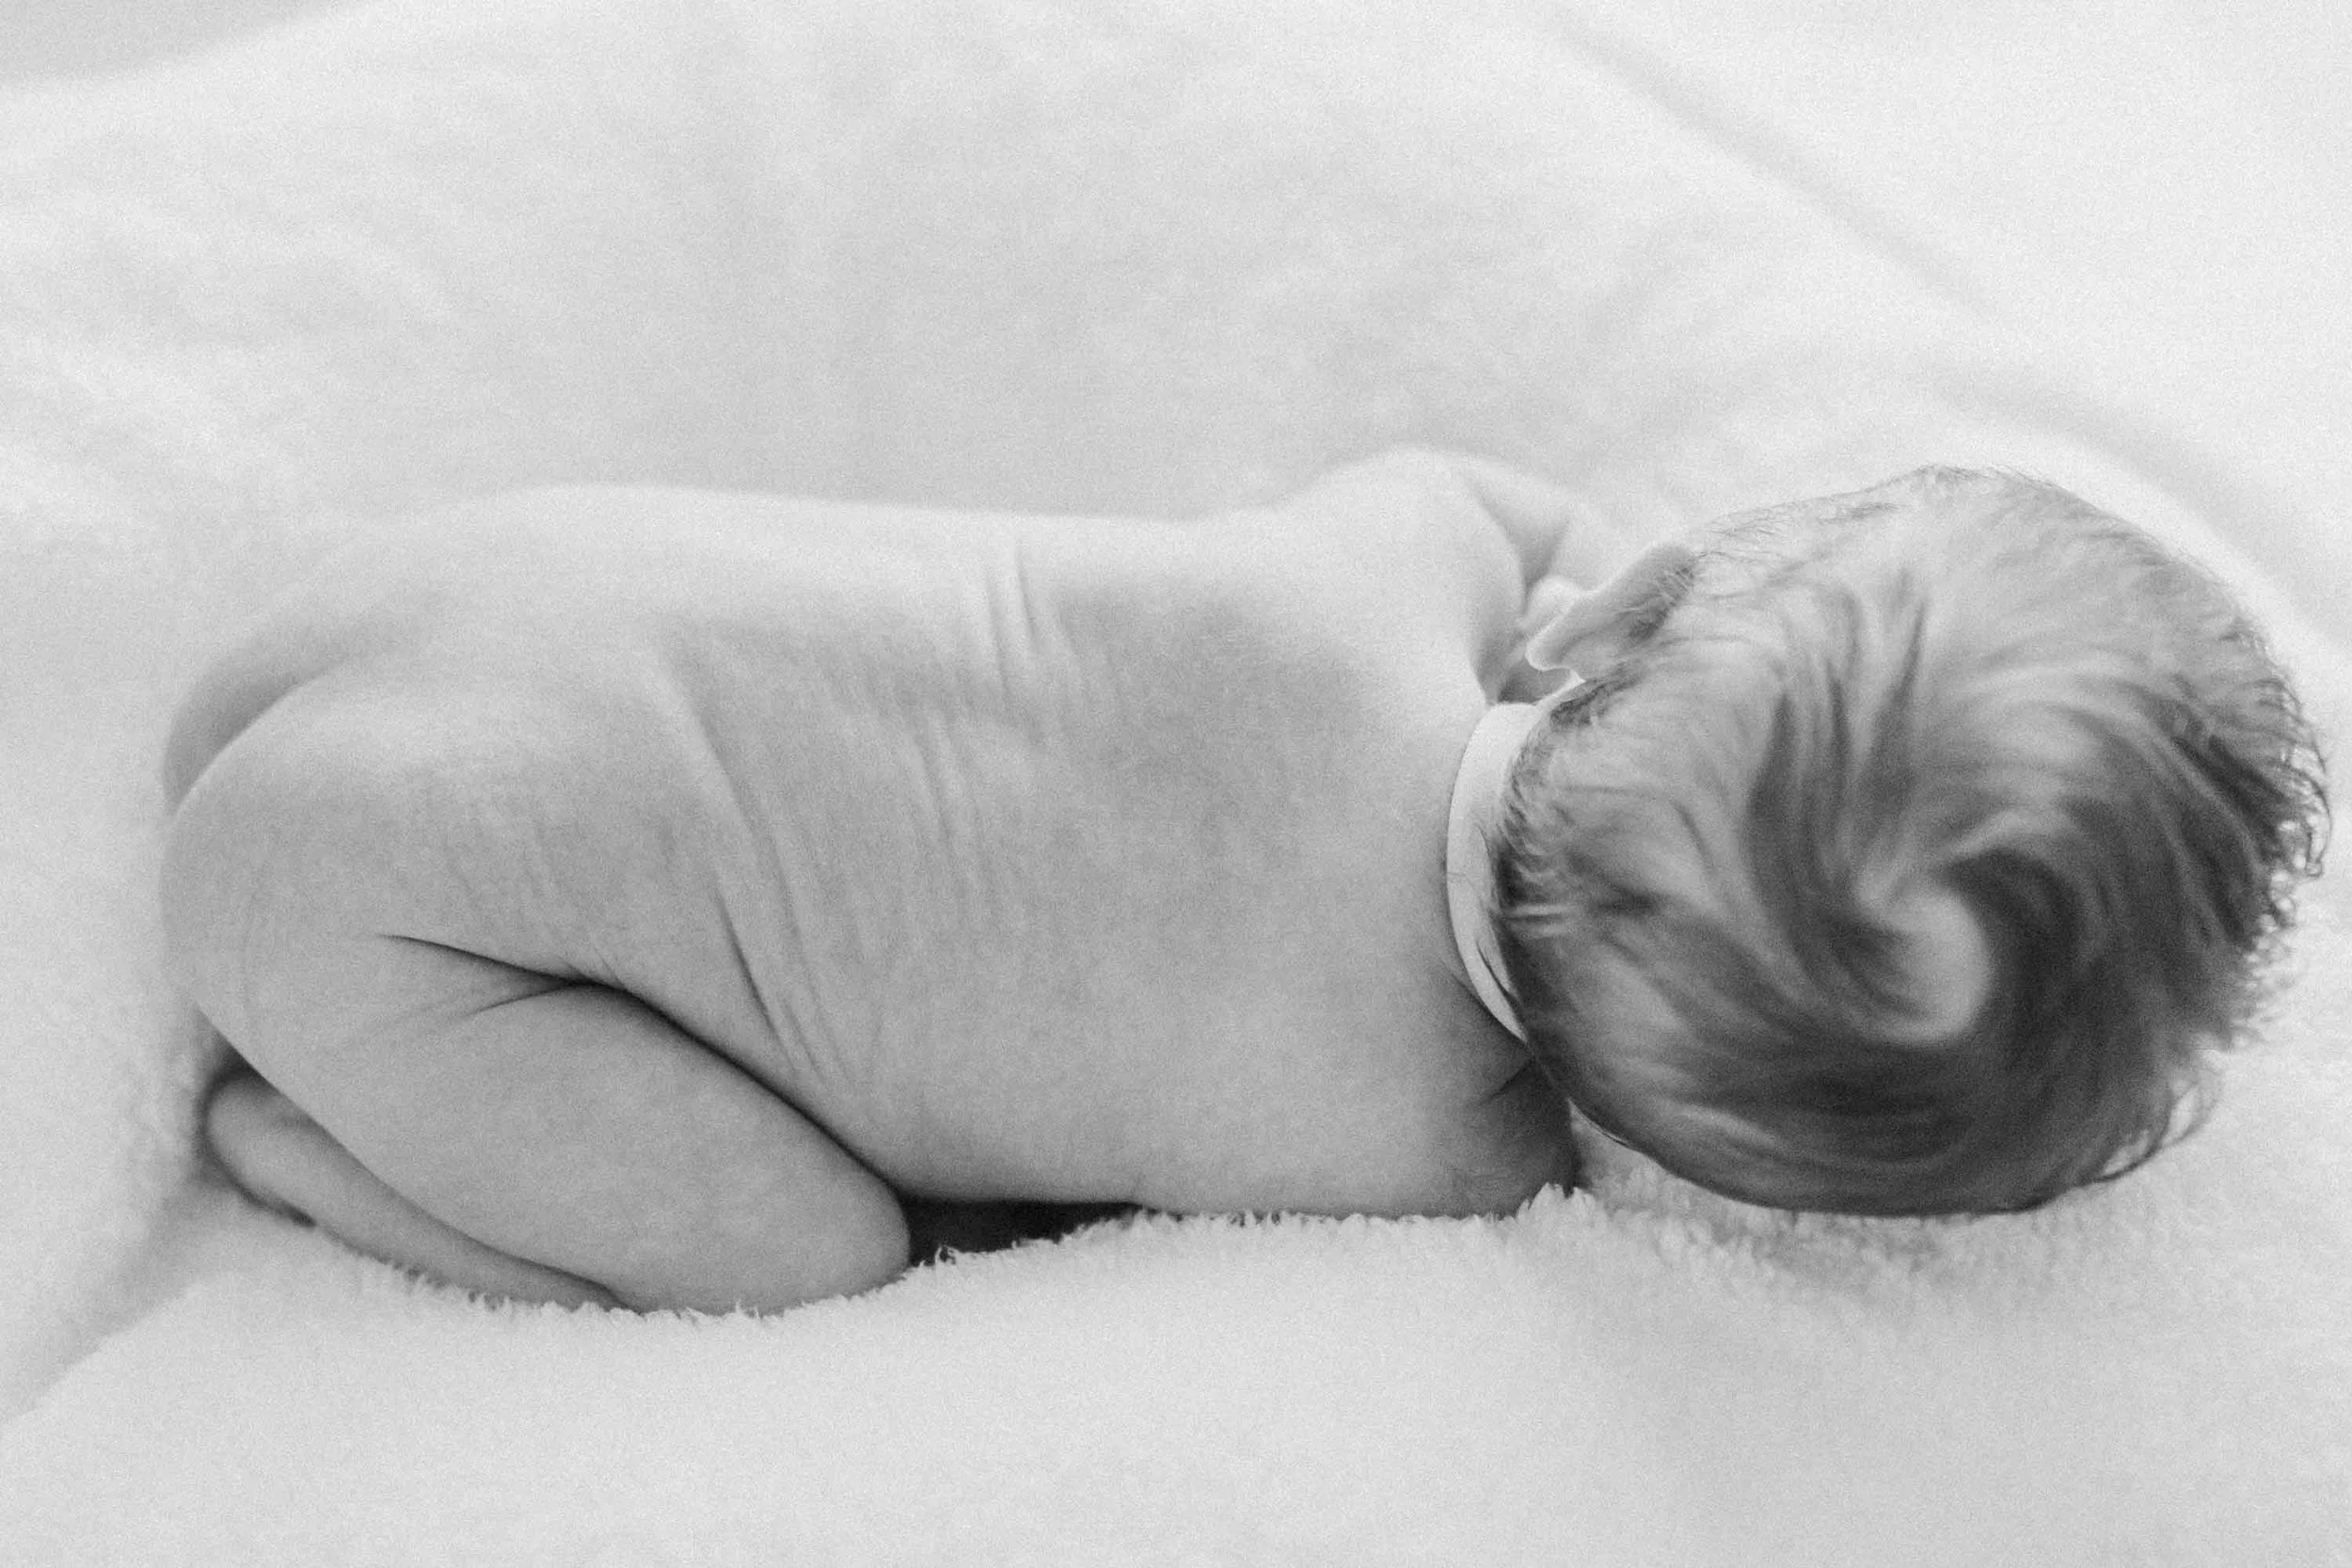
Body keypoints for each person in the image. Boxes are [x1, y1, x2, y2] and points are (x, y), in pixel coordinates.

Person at [159, 451, 2327, 1313]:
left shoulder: (1389, 565)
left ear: (1612, 618)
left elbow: (1507, 494)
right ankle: (296, 1141)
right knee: (809, 1248)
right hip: (393, 926)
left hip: (434, 614)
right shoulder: (1427, 1152)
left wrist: (1577, 596)